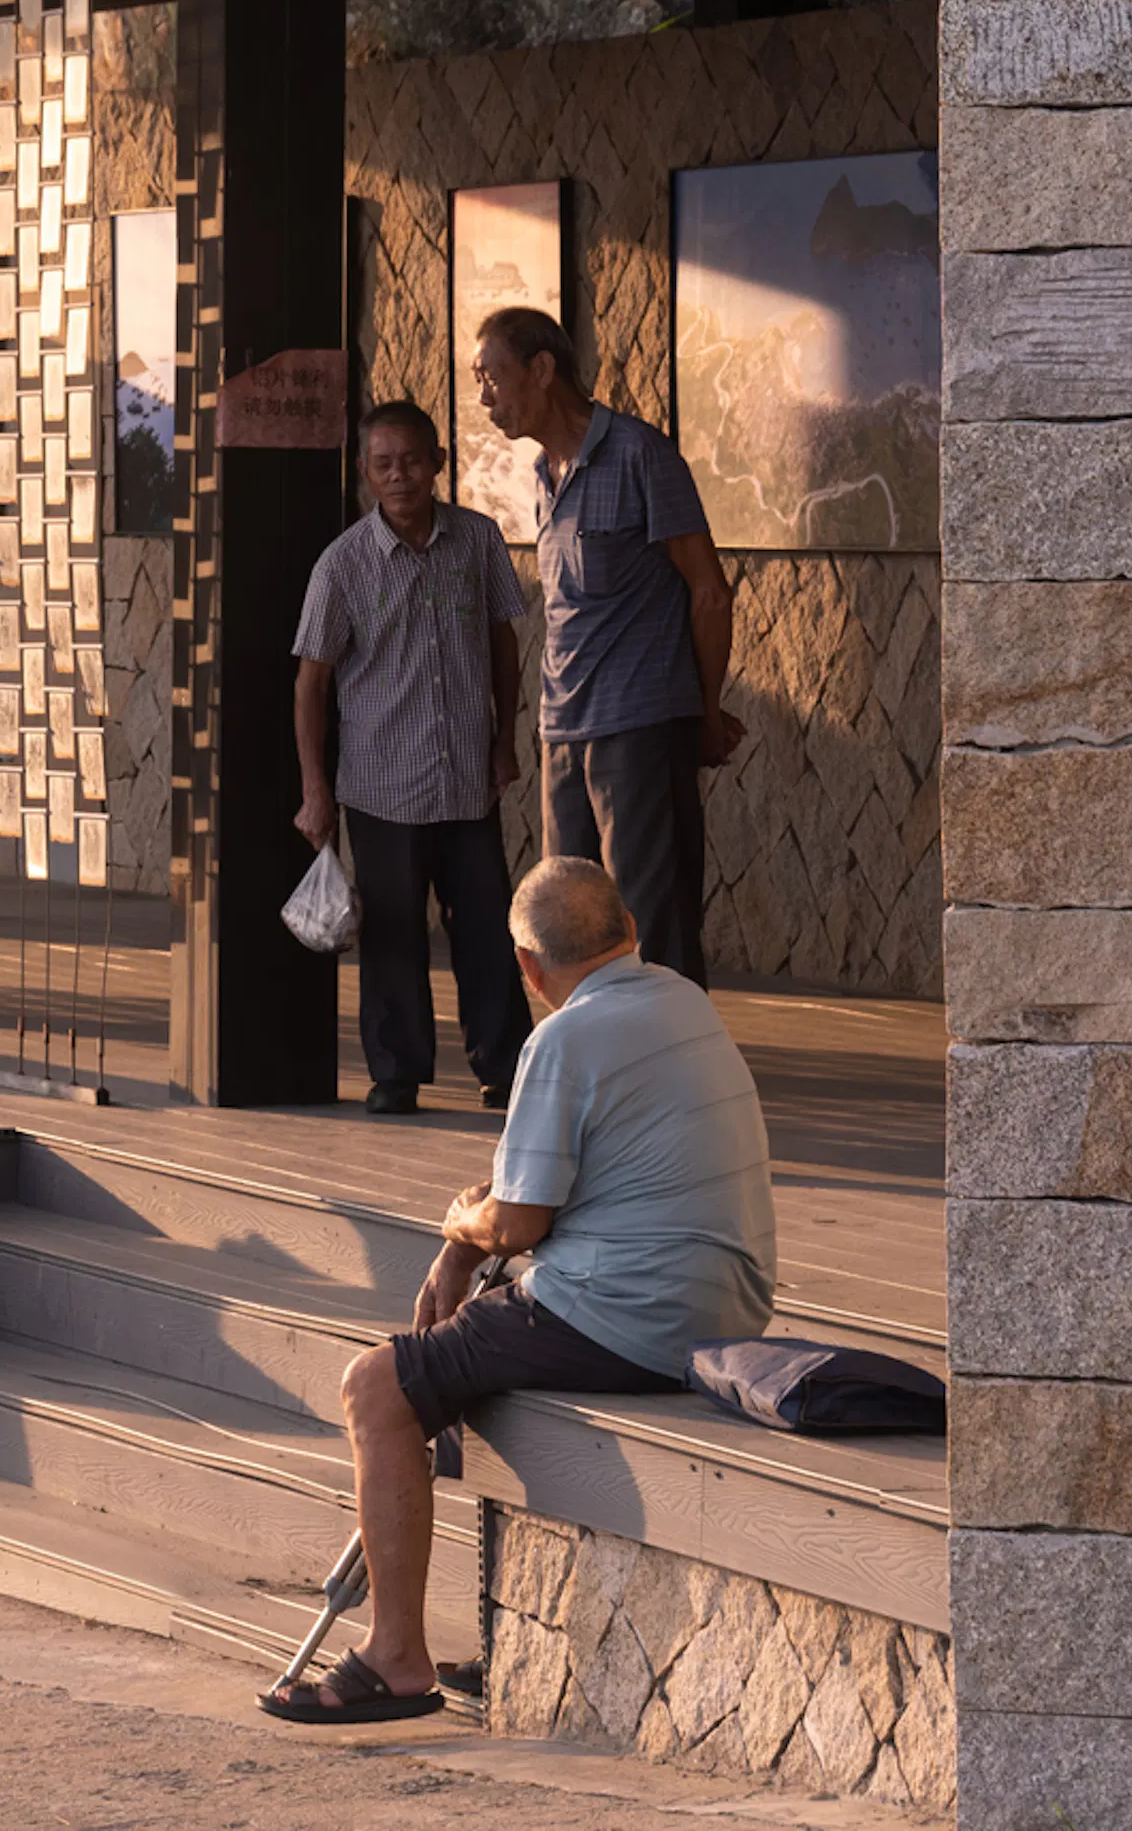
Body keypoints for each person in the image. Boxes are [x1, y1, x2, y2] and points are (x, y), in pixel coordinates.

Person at [261, 857, 776, 1725]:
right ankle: (487, 1630)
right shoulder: (684, 1000)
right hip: (727, 1305)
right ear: (630, 932)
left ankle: (395, 1657)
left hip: (625, 1314)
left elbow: (517, 1222)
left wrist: (459, 1227)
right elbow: (538, 1201)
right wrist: (466, 1250)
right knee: (461, 1360)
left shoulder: (563, 1040)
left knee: (376, 1387)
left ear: (529, 970)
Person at [467, 305, 742, 985]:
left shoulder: (641, 455)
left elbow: (709, 592)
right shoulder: (542, 475)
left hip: (640, 725)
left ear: (541, 369)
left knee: (650, 923)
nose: (484, 399)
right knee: (566, 924)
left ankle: (670, 1049)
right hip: (563, 730)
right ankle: (592, 1048)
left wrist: (705, 712)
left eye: (491, 377)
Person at [292, 399, 529, 1114]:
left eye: (412, 461)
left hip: (468, 780)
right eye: (383, 464)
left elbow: (504, 643)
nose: (399, 476)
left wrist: (504, 740)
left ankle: (505, 1067)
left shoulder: (478, 540)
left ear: (438, 464)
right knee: (393, 934)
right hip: (382, 786)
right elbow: (311, 682)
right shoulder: (342, 565)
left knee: (487, 929)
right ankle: (396, 1074)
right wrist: (315, 789)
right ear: (365, 473)